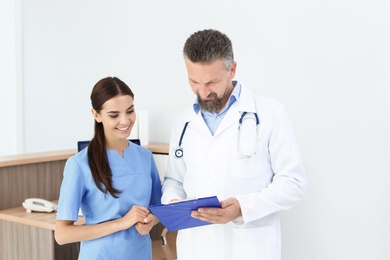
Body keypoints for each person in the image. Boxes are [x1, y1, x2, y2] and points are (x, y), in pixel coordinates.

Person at [161, 29, 307, 260]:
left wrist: (242, 206)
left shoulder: (270, 113)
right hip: (195, 248)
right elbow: (174, 180)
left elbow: (293, 182)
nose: (203, 91)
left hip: (249, 248)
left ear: (232, 69)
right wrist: (174, 203)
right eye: (194, 81)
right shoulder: (183, 121)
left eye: (212, 82)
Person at [55, 77, 162, 260]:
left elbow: (158, 208)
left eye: (130, 111)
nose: (125, 120)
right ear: (96, 115)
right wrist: (121, 223)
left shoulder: (145, 157)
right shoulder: (79, 165)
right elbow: (62, 234)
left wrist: (151, 221)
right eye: (114, 115)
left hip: (140, 254)